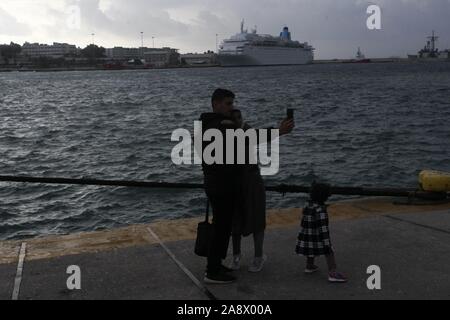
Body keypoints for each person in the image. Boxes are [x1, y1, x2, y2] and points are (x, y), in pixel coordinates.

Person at [230, 109, 294, 273]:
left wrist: (278, 131)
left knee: (256, 220)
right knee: (236, 222)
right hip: (238, 182)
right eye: (234, 118)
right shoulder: (225, 134)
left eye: (239, 117)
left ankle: (257, 256)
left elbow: (258, 135)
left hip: (250, 181)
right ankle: (236, 256)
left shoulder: (245, 131)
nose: (237, 120)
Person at [295, 183, 348, 283]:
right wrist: (327, 244)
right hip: (319, 237)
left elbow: (303, 222)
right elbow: (323, 229)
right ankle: (333, 272)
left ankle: (309, 266)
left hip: (307, 236)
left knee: (310, 249)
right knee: (329, 252)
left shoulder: (307, 206)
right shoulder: (321, 211)